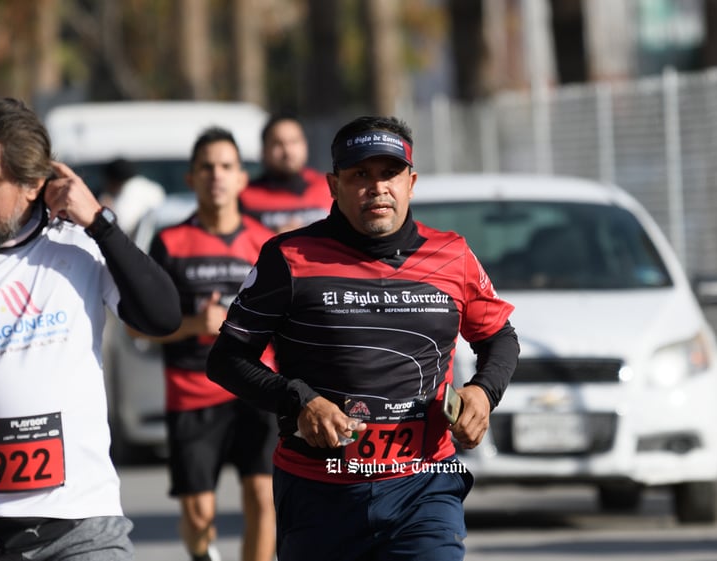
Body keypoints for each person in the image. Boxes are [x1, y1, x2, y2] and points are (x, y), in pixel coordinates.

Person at [206, 116, 519, 561]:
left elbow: (500, 338)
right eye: (359, 175)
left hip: (423, 485)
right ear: (333, 185)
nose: (377, 188)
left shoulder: (452, 254)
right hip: (319, 489)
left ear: (411, 182)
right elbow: (226, 359)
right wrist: (299, 401)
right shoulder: (288, 258)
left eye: (389, 173)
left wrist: (483, 393)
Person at [0, 97, 182, 561]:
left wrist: (101, 224)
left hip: (80, 528)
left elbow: (162, 316)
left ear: (31, 185)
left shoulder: (81, 247)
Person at [129, 128, 277, 561]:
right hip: (193, 391)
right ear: (191, 179)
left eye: (227, 167)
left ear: (242, 179)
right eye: (207, 167)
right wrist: (196, 323)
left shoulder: (265, 244)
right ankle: (201, 553)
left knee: (263, 498)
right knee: (198, 514)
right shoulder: (169, 244)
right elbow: (138, 326)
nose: (217, 176)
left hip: (256, 388)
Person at [239, 114, 331, 233]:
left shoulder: (329, 187)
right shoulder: (244, 196)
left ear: (305, 145)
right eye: (278, 143)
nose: (287, 151)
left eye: (294, 141)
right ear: (263, 150)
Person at [99, 157, 165, 235]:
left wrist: (106, 210)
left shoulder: (128, 194)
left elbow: (121, 227)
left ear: (113, 180)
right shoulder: (154, 188)